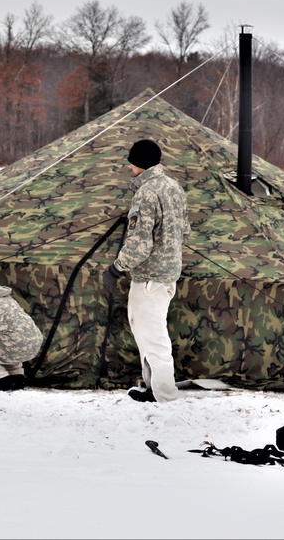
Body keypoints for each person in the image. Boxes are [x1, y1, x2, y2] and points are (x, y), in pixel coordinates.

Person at [102, 139, 190, 402]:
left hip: (150, 277)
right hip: (166, 275)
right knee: (148, 332)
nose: (129, 166)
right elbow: (185, 231)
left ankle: (164, 394)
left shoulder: (147, 193)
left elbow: (140, 244)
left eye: (132, 161)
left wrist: (116, 268)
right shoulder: (174, 188)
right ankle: (153, 387)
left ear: (139, 162)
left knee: (152, 336)